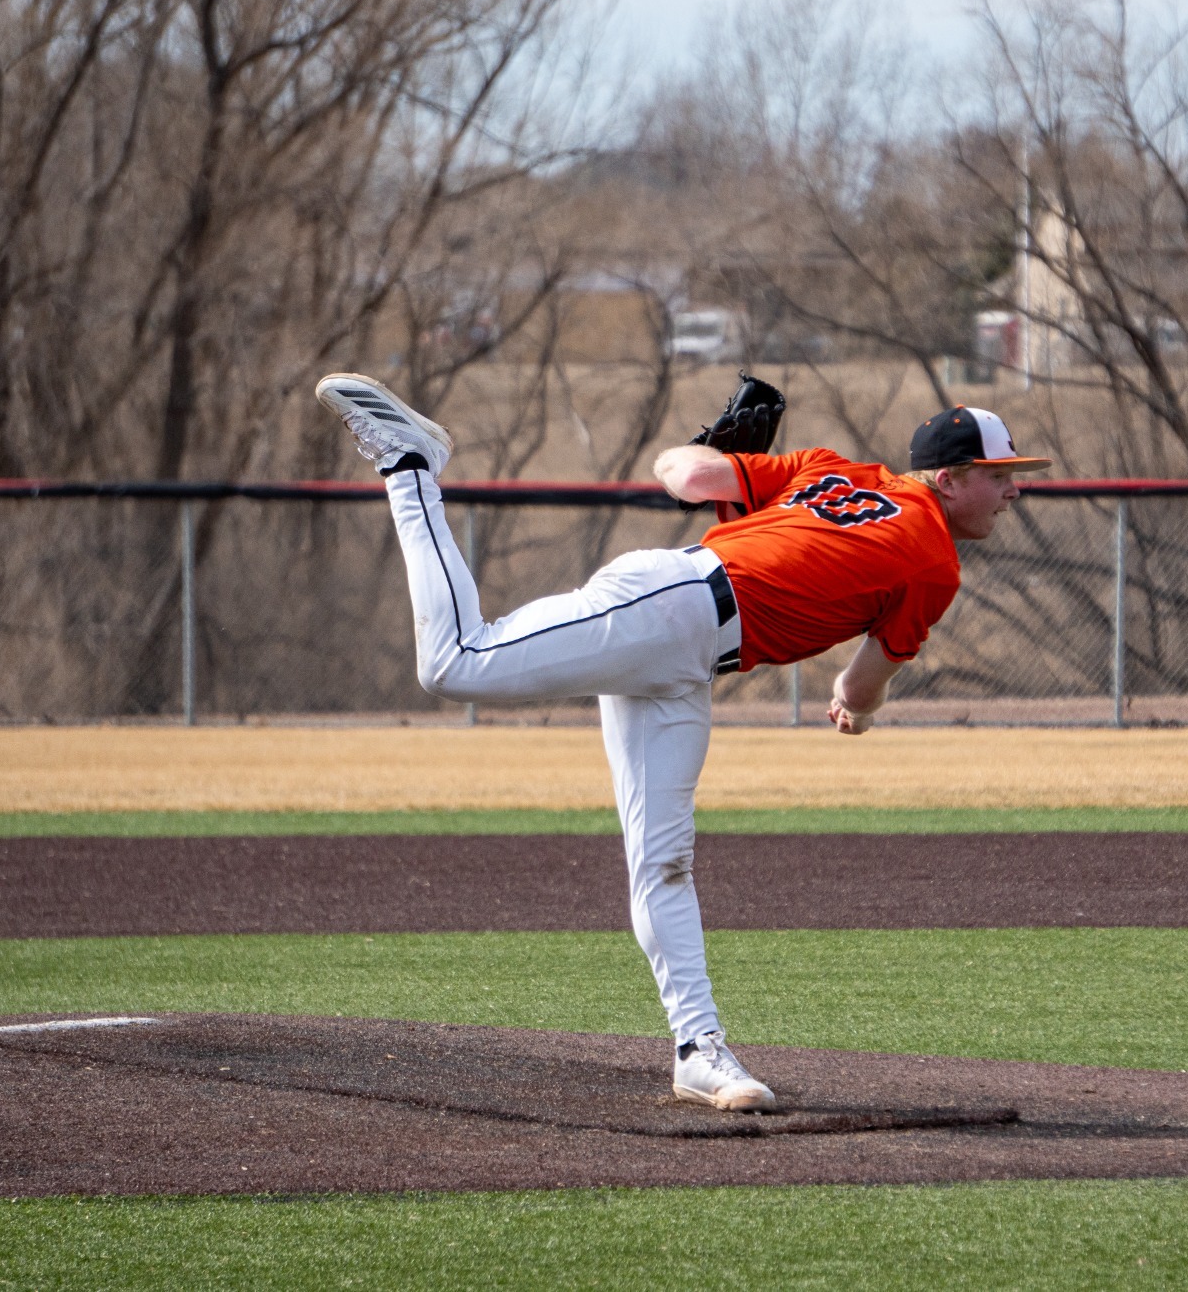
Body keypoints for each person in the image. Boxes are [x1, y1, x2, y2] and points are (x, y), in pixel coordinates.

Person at [314, 372, 1050, 1111]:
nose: (1014, 490)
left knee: (662, 861)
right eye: (1000, 475)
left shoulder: (832, 468)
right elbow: (861, 686)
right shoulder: (932, 556)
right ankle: (410, 464)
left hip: (686, 656)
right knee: (454, 662)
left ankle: (700, 1050)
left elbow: (682, 472)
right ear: (951, 479)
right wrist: (854, 708)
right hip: (675, 605)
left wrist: (723, 463)